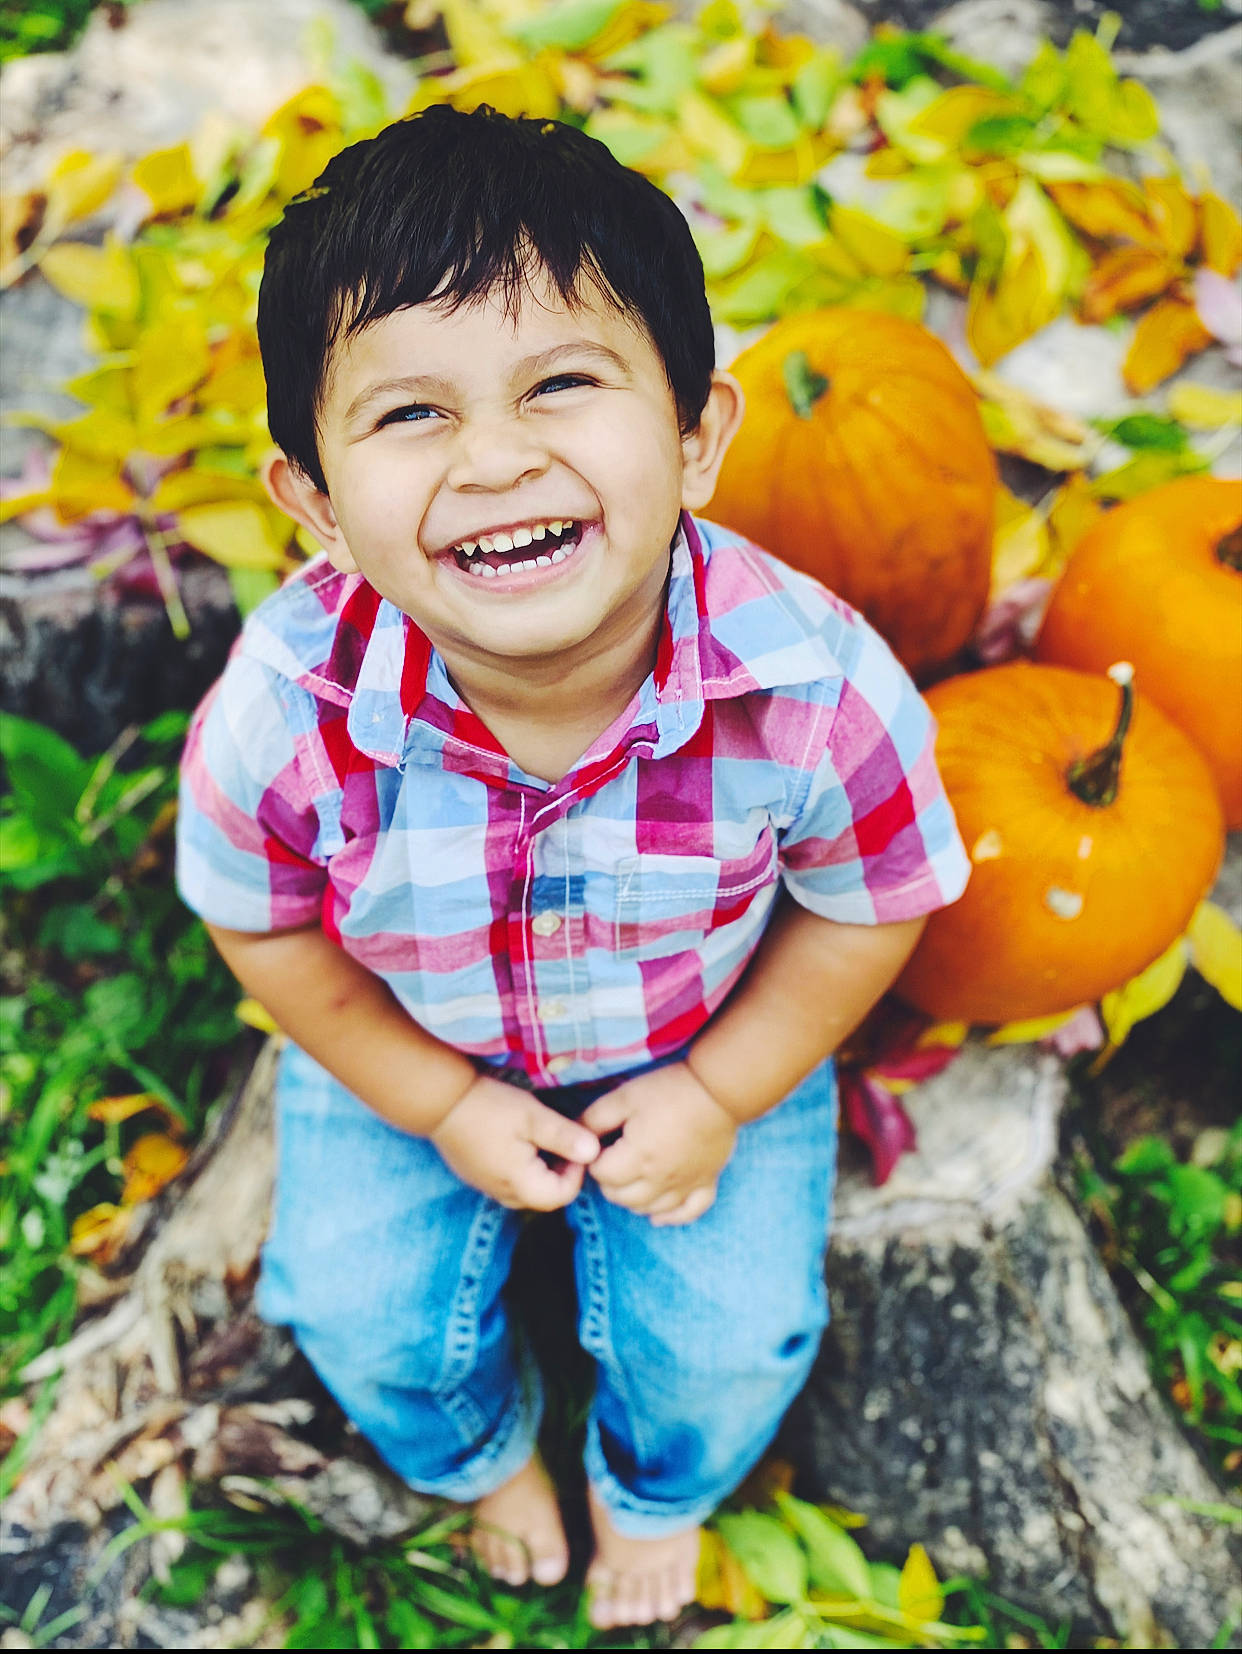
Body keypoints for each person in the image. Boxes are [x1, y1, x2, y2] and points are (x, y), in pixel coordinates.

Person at [176, 102, 970, 1630]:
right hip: (407, 1041)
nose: (495, 456)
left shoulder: (809, 687)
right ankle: (478, 1459)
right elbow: (264, 929)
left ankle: (653, 1484)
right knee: (354, 1302)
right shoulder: (287, 710)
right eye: (411, 414)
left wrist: (723, 1087)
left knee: (734, 1331)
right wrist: (438, 1098)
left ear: (696, 433)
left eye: (562, 383)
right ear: (317, 507)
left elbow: (867, 906)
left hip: (697, 1031)